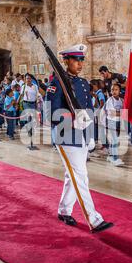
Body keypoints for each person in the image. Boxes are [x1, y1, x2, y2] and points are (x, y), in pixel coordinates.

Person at [45, 43, 113, 233]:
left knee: (72, 175)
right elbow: (50, 113)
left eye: (82, 59)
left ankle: (64, 210)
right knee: (80, 176)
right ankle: (94, 219)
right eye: (76, 59)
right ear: (66, 61)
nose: (80, 63)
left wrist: (90, 135)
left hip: (82, 136)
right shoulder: (56, 82)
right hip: (65, 136)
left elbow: (89, 110)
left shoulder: (83, 84)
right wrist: (72, 120)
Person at [105, 83, 124, 166]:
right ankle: (115, 159)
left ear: (119, 91)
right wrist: (122, 113)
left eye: (116, 89)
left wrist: (121, 113)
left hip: (119, 122)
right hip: (111, 121)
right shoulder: (110, 100)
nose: (114, 91)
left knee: (114, 139)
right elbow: (112, 113)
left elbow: (124, 112)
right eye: (112, 89)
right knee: (115, 139)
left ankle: (110, 156)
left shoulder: (121, 100)